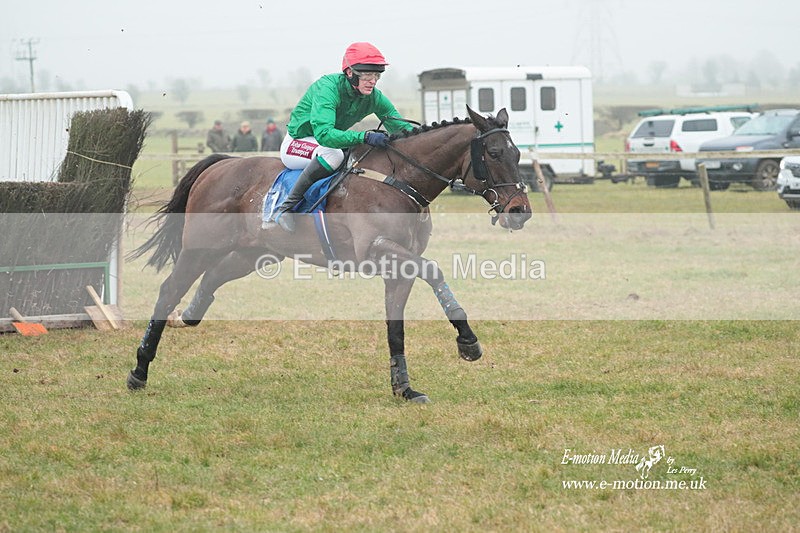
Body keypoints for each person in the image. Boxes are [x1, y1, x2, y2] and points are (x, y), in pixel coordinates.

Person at [271, 42, 414, 232]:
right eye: (367, 75)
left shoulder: (374, 97)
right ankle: (285, 208)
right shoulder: (327, 88)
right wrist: (364, 136)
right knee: (334, 156)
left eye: (376, 76)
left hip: (328, 143)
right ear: (350, 73)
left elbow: (402, 128)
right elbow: (324, 135)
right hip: (298, 142)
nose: (373, 81)